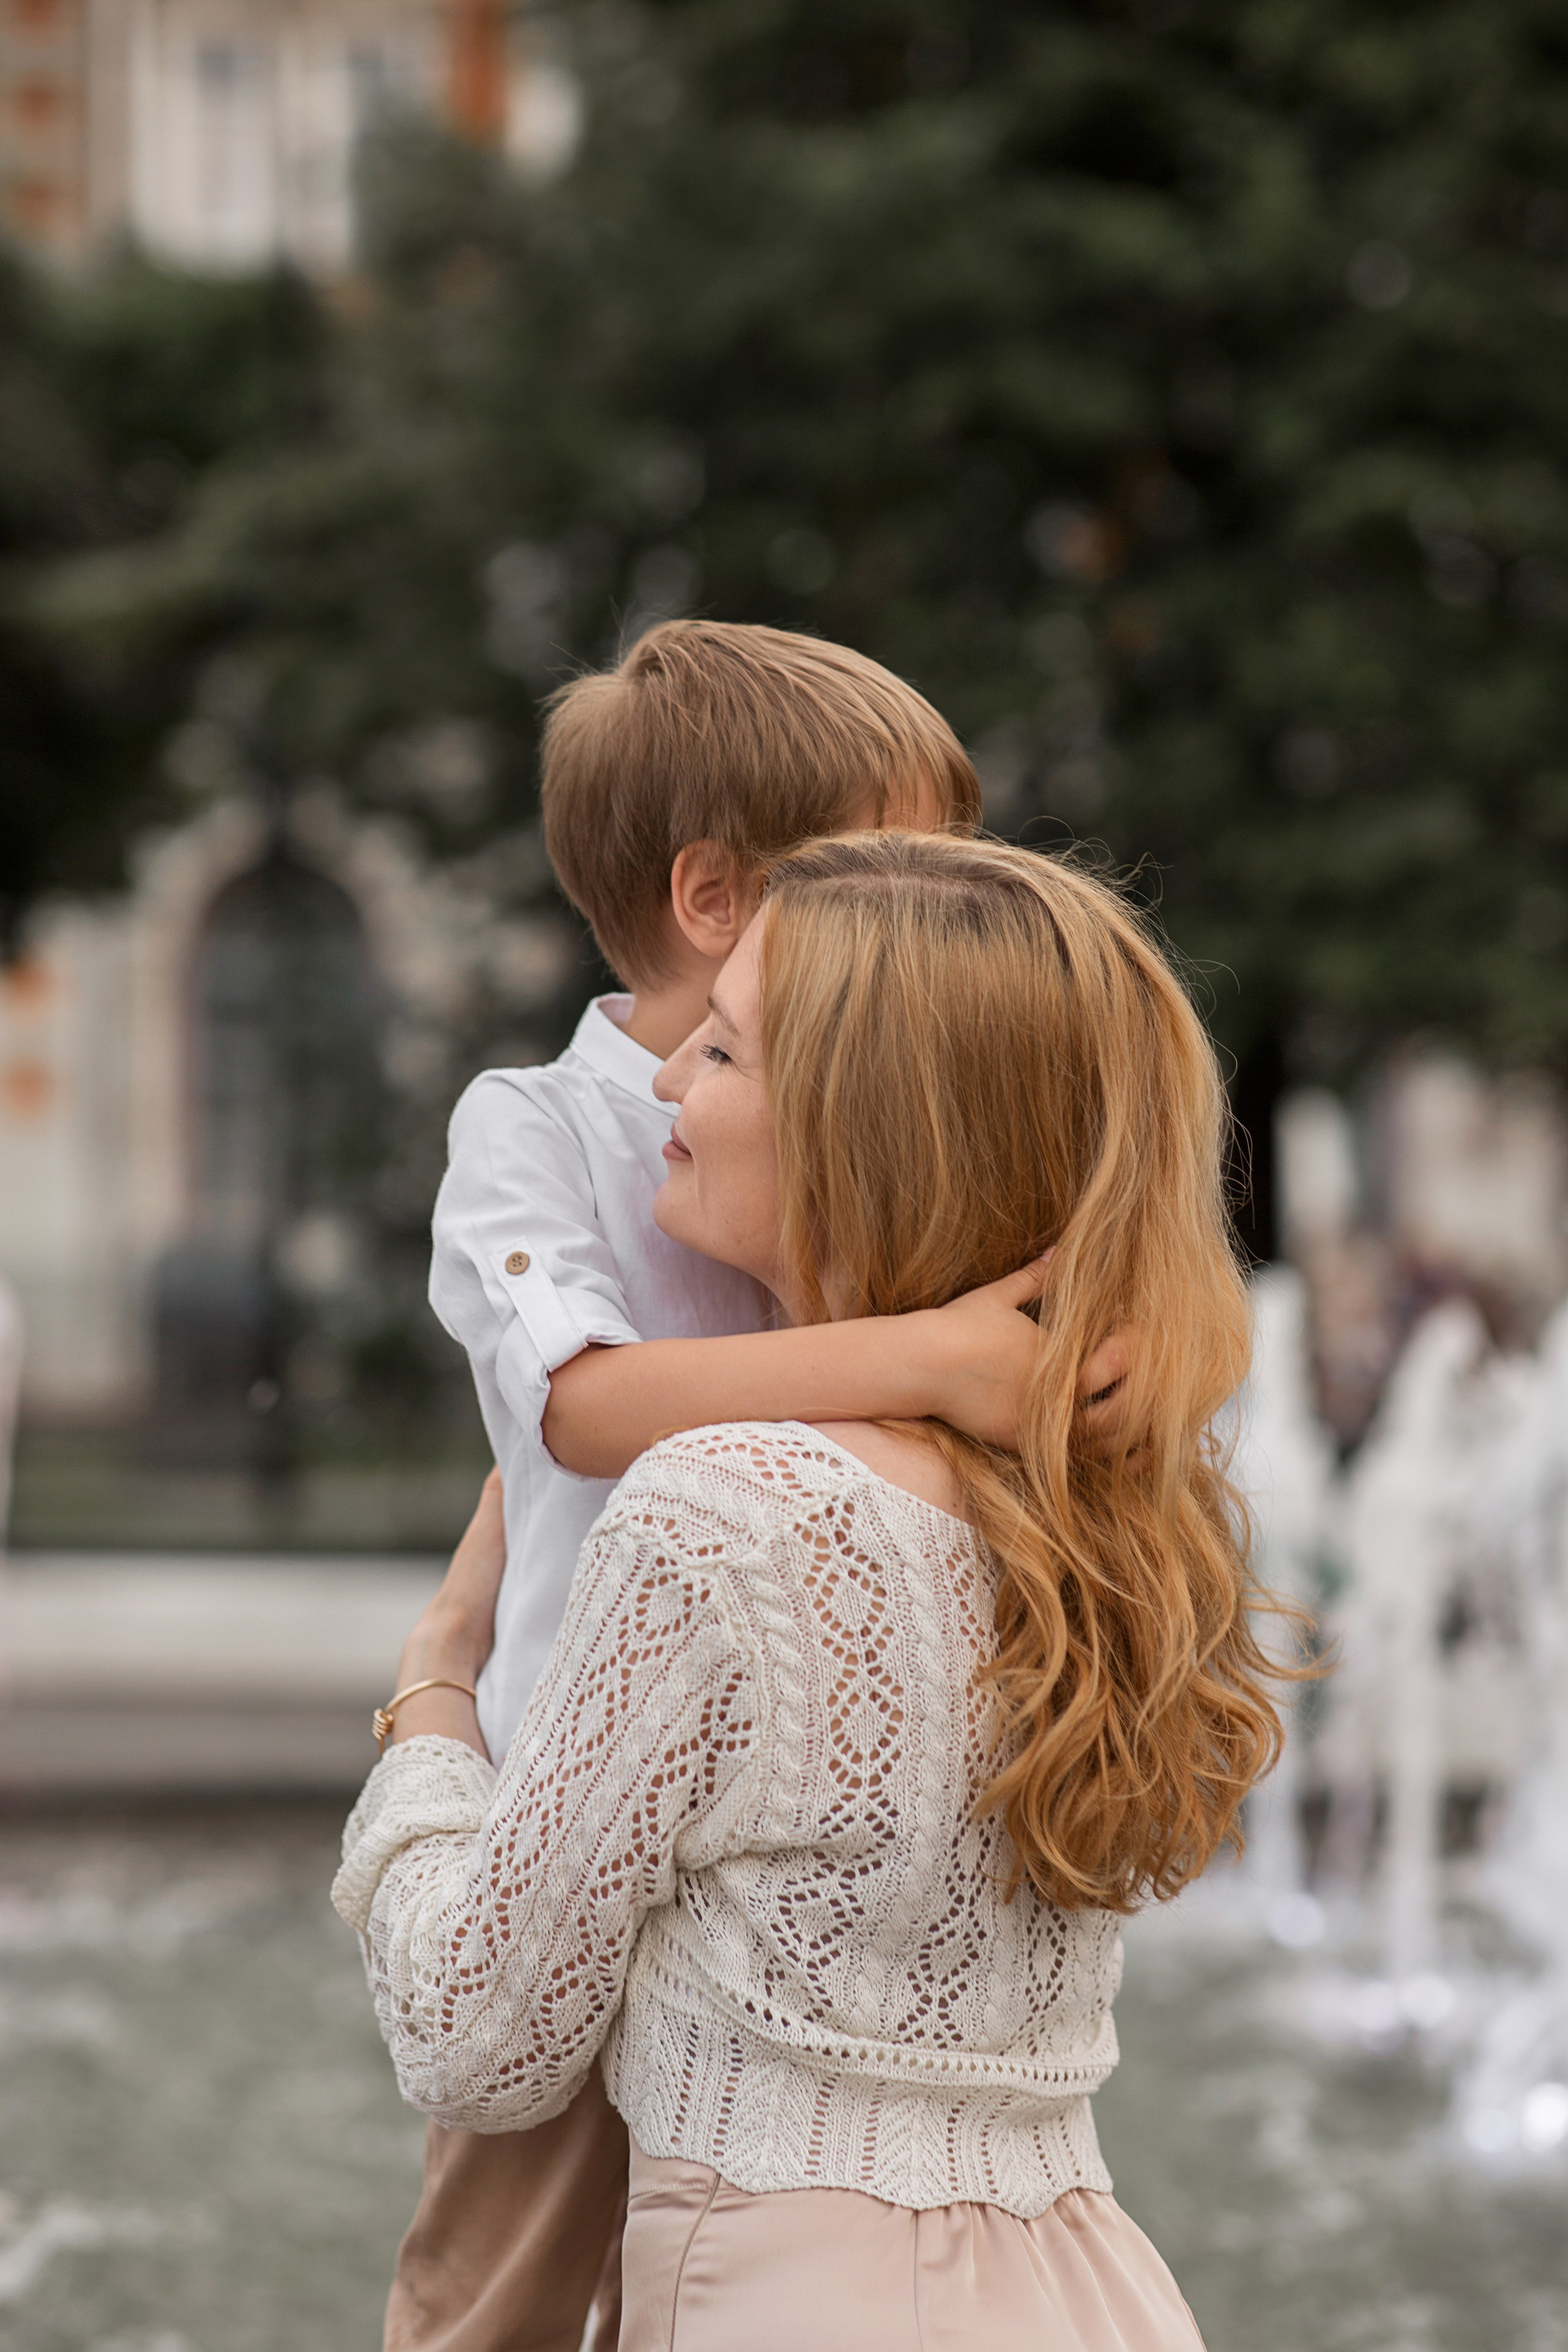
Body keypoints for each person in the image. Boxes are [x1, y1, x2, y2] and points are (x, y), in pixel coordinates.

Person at [336, 832, 1288, 2352]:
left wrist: (431, 1706)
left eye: (720, 1049)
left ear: (864, 1127)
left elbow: (477, 2040)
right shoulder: (1109, 1498)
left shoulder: (732, 1516)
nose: (663, 1087)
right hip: (1097, 2294)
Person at [401, 621, 1127, 2352]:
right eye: (884, 855)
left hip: (767, 1837)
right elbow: (583, 1411)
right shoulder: (542, 1125)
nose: (928, 895)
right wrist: (933, 1360)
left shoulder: (865, 1101)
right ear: (718, 897)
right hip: (565, 1796)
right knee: (495, 2282)